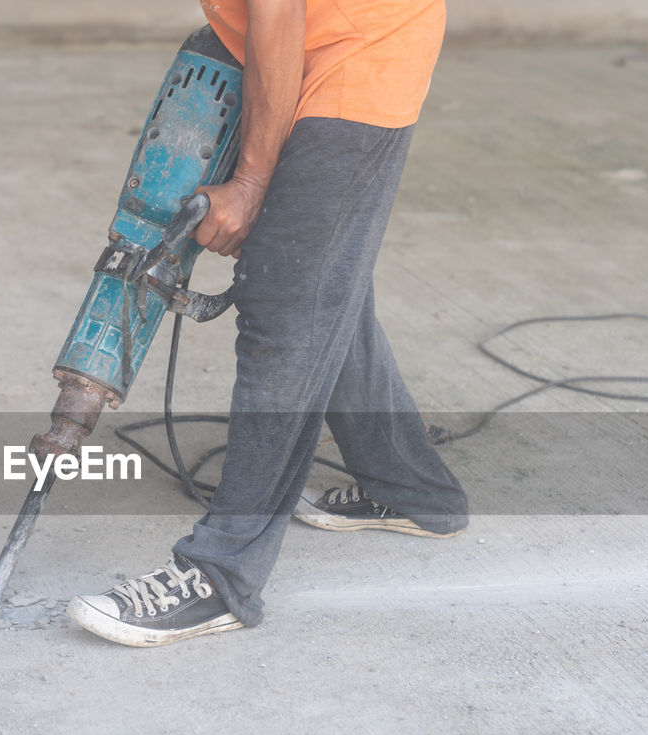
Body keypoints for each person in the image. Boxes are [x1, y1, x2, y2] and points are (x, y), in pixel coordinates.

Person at [66, 0, 469, 647]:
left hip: (357, 48)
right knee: (320, 285)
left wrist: (252, 181)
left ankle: (221, 575)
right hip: (278, 33)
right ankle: (415, 490)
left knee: (285, 308)